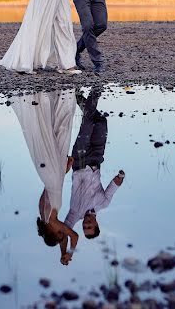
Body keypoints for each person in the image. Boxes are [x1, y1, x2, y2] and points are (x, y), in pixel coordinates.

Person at [12, 89, 80, 265]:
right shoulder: (43, 213)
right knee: (57, 135)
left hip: (54, 176)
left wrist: (69, 253)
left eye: (59, 234)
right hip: (49, 176)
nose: (62, 232)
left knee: (61, 132)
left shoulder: (53, 220)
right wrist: (62, 172)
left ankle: (63, 96)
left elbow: (74, 236)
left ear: (53, 232)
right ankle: (57, 97)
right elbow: (48, 190)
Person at [63, 87, 125, 238]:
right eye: (89, 226)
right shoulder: (103, 204)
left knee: (88, 122)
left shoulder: (74, 214)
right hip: (97, 158)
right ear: (96, 225)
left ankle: (96, 88)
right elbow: (112, 188)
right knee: (101, 121)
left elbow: (64, 231)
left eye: (84, 227)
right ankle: (77, 95)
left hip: (80, 159)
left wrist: (67, 252)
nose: (86, 224)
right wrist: (120, 177)